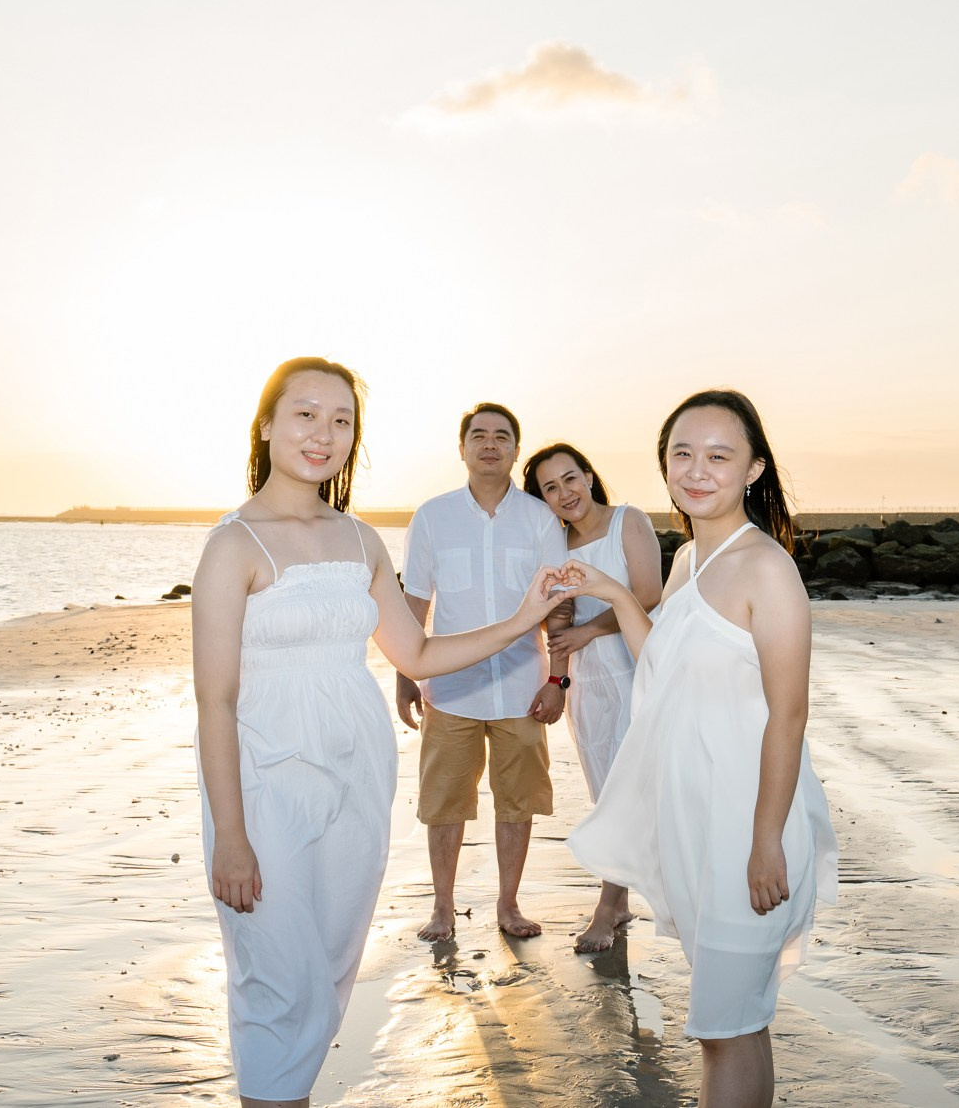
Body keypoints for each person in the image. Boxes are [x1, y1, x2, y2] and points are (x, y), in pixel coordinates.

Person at [193, 360, 574, 1108]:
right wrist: (230, 835)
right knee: (272, 969)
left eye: (341, 420)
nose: (323, 434)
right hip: (265, 779)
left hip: (357, 774)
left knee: (331, 961)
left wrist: (524, 619)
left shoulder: (362, 540)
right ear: (267, 424)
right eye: (305, 414)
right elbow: (215, 699)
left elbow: (422, 653)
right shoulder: (232, 545)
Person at [562, 389, 838, 1108]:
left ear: (753, 469)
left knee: (729, 1025)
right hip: (698, 819)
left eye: (719, 455)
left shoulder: (766, 569)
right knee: (733, 1023)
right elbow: (664, 668)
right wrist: (617, 595)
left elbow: (790, 714)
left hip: (749, 823)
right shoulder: (685, 559)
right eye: (682, 452)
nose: (697, 469)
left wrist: (766, 840)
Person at [395, 403, 573, 941]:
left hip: (523, 687)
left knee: (518, 802)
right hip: (450, 690)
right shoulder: (432, 516)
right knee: (444, 803)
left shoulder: (540, 519)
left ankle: (508, 906)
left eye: (502, 436)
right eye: (479, 435)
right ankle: (443, 908)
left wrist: (557, 679)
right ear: (463, 448)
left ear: (516, 450)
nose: (490, 444)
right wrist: (405, 674)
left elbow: (560, 604)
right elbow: (415, 600)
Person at [521, 441, 664, 951]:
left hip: (637, 667)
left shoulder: (629, 521)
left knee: (643, 786)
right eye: (550, 488)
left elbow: (647, 593)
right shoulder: (555, 546)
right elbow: (558, 620)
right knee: (607, 791)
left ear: (588, 475)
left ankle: (609, 906)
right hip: (590, 681)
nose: (564, 493)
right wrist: (557, 681)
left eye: (570, 478)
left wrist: (587, 633)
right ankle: (618, 898)